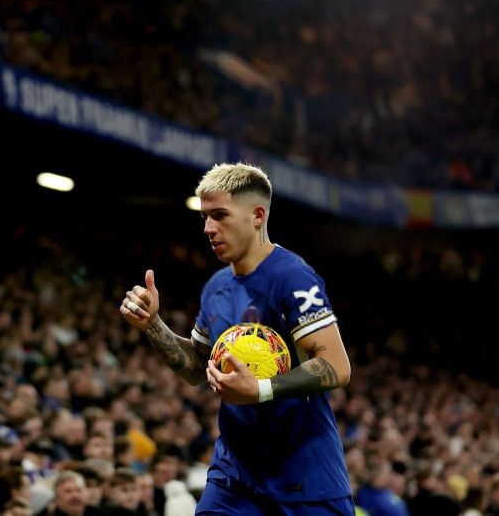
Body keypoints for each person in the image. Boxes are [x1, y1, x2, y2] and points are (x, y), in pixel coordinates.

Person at [120, 162, 353, 516]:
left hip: (305, 479)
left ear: (257, 215)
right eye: (204, 217)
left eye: (219, 215)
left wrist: (259, 390)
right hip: (234, 480)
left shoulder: (293, 278)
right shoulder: (217, 287)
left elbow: (336, 366)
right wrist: (153, 324)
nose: (208, 228)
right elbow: (198, 368)